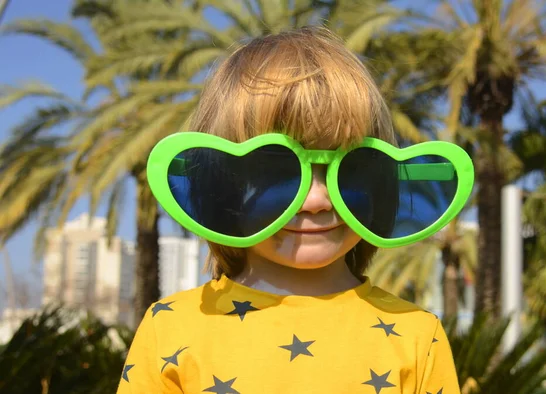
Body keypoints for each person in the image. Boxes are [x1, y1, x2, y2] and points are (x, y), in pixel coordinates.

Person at [117, 26, 470, 394]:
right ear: (222, 184)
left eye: (351, 169)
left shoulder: (416, 333)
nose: (317, 200)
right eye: (276, 171)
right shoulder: (171, 328)